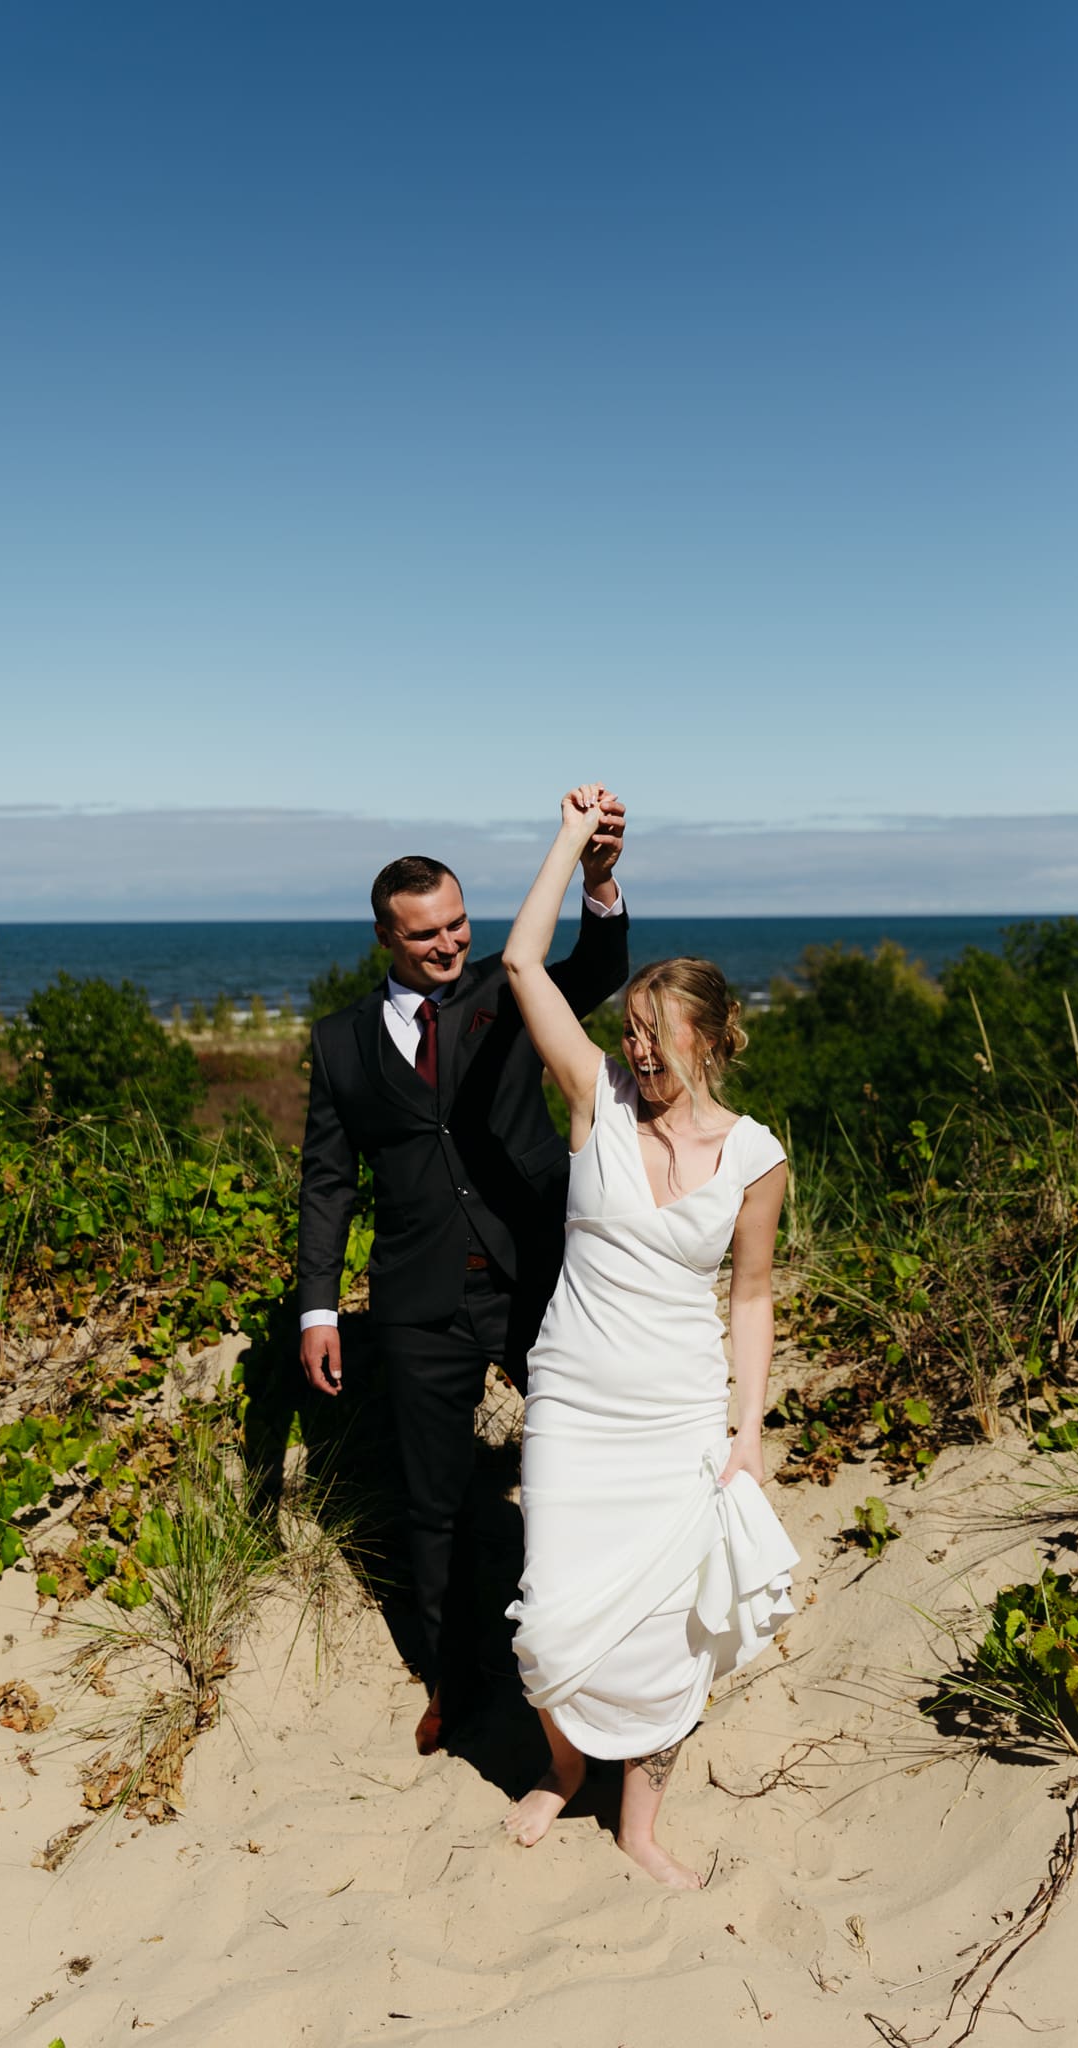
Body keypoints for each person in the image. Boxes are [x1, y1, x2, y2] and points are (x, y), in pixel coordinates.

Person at [500, 785, 799, 1888]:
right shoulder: (595, 1096)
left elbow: (752, 1298)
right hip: (575, 1403)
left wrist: (747, 1429)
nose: (637, 1051)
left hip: (677, 1410)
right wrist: (577, 849)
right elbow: (526, 968)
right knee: (553, 1611)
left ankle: (640, 1820)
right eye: (628, 1030)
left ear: (716, 1038)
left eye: (658, 1038)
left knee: (673, 1622)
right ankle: (564, 1763)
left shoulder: (757, 1158)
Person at [297, 805, 629, 1752]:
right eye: (423, 932)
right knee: (432, 1503)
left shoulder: (508, 990)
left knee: (581, 1476)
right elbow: (327, 1181)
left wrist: (599, 881)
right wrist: (319, 1307)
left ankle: (606, 1656)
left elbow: (597, 971)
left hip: (537, 1278)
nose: (447, 944)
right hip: (415, 1302)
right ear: (384, 937)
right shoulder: (338, 1042)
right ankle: (451, 1680)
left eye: (456, 923)